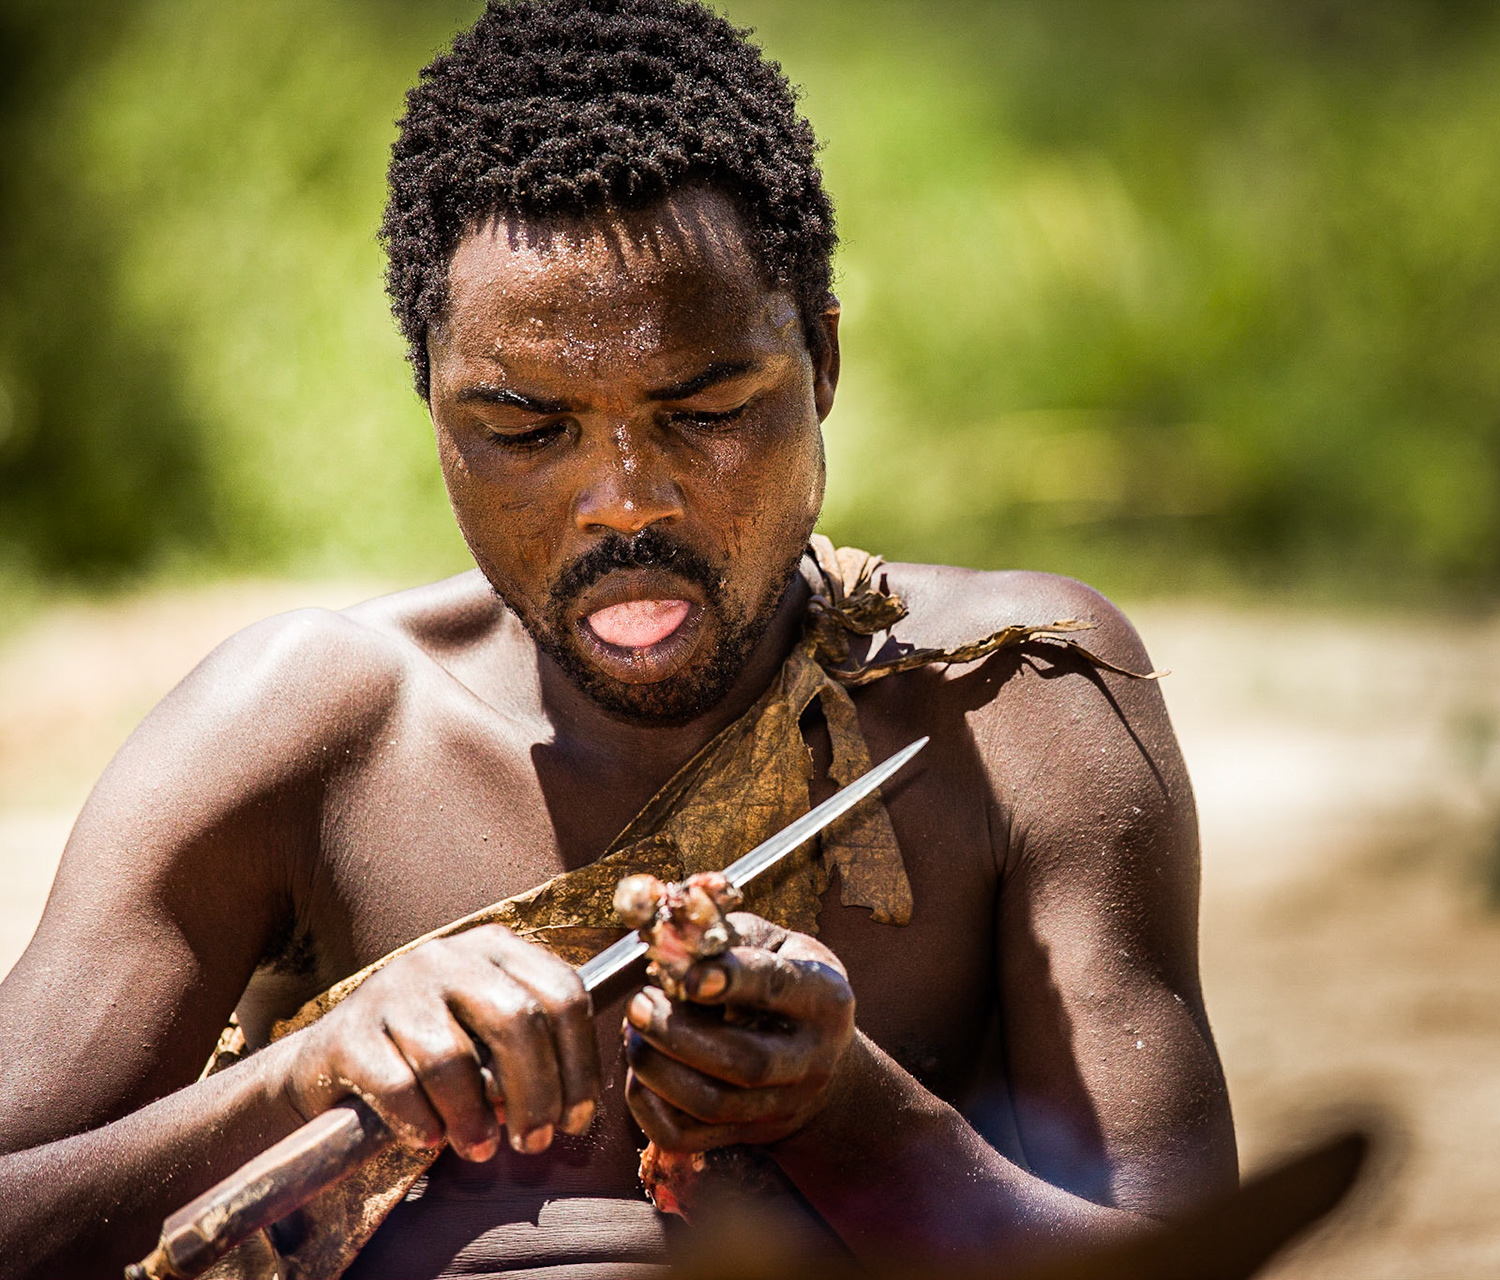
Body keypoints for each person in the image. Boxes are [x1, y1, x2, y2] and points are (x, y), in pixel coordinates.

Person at [0, 2, 1237, 1276]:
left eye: (704, 407)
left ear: (817, 359)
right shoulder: (315, 732)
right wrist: (305, 1081)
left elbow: (1198, 1254)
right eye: (529, 431)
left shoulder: (1009, 704)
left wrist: (856, 1120)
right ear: (432, 400)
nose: (626, 497)